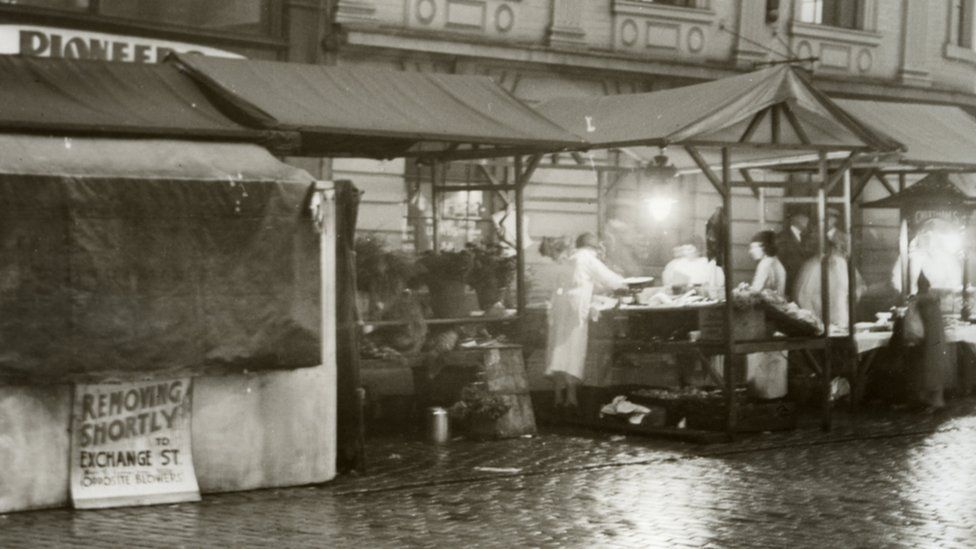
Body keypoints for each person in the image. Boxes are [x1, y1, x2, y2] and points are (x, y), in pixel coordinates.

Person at [545, 232, 627, 409]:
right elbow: (610, 279)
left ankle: (558, 394)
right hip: (575, 308)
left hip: (560, 306)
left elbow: (588, 281)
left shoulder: (570, 258)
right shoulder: (587, 258)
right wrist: (625, 283)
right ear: (594, 247)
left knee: (558, 347)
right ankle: (571, 397)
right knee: (574, 348)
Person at [794, 232, 865, 330]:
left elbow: (860, 286)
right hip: (822, 325)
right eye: (841, 246)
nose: (845, 251)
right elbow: (803, 297)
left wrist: (855, 293)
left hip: (842, 323)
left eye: (846, 247)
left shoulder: (844, 264)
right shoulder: (815, 265)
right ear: (833, 246)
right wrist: (816, 323)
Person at [909, 273, 948, 411]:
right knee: (935, 367)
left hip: (927, 339)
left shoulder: (918, 300)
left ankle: (933, 401)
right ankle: (937, 400)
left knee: (927, 368)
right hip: (936, 338)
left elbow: (911, 324)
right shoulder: (933, 299)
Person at [660, 239, 725, 289]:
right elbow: (669, 284)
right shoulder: (678, 264)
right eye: (685, 249)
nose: (687, 252)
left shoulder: (709, 263)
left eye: (690, 249)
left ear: (698, 250)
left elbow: (719, 282)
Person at [775, 212, 811, 300]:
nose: (807, 223)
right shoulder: (782, 237)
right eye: (805, 220)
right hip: (788, 282)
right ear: (796, 220)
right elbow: (781, 261)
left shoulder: (804, 237)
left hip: (799, 281)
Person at [748, 230, 787, 295]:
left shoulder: (765, 264)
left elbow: (755, 292)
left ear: (765, 247)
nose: (751, 251)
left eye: (754, 247)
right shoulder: (775, 261)